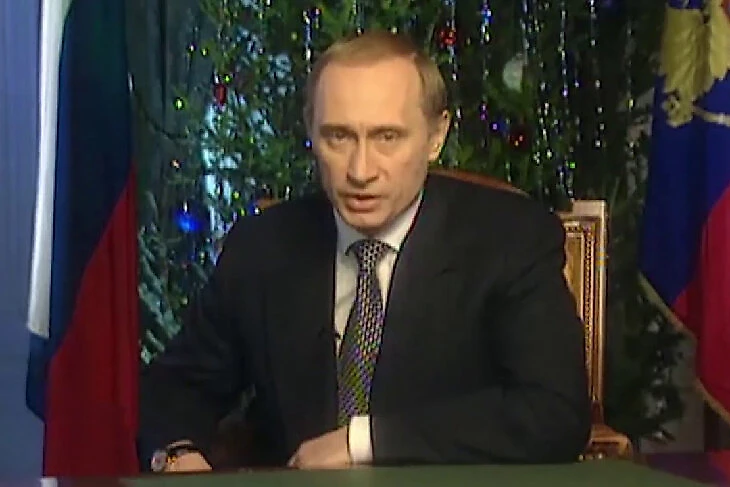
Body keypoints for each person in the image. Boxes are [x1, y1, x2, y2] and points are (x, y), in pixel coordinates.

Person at [138, 29, 590, 473]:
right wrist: (176, 453)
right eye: (338, 136)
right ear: (311, 131)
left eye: (387, 137)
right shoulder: (263, 246)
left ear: (436, 136)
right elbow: (176, 385)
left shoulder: (509, 238)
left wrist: (364, 442)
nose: (360, 170)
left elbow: (553, 411)